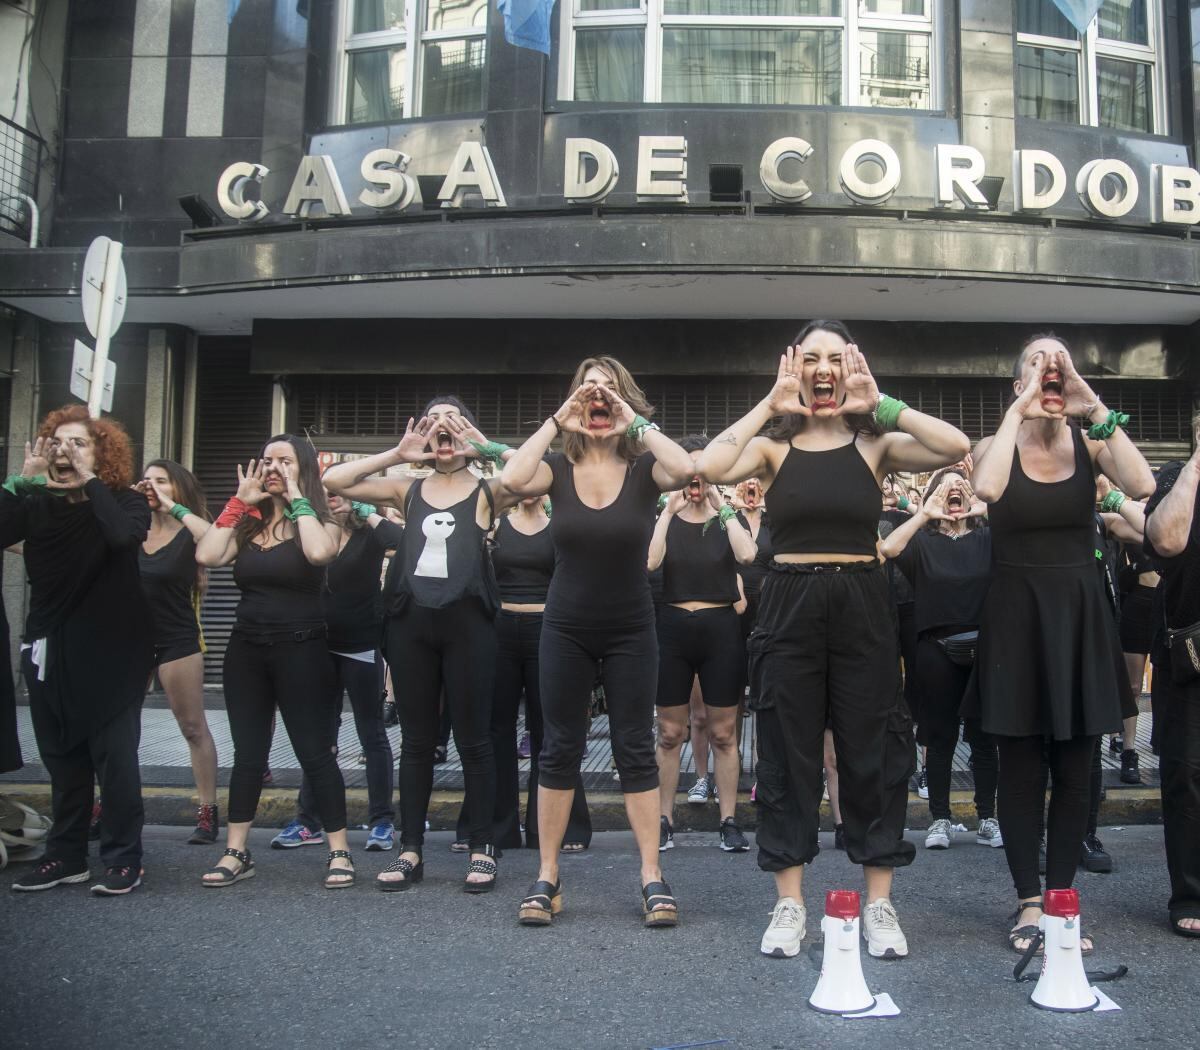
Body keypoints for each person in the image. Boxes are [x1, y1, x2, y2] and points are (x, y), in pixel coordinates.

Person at [698, 320, 970, 960]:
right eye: (810, 359)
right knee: (788, 756)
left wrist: (882, 403)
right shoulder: (773, 450)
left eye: (835, 359)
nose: (824, 370)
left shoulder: (875, 444)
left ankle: (879, 904)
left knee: (873, 750)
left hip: (862, 602)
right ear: (795, 368)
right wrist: (771, 402)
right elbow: (705, 466)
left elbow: (956, 445)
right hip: (788, 604)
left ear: (850, 370)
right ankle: (789, 905)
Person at [967, 334, 1153, 953]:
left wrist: (1090, 400)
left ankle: (1062, 902)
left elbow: (1143, 482)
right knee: (1021, 769)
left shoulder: (1089, 437)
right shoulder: (993, 444)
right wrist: (1020, 409)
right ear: (1017, 380)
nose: (1052, 369)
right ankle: (1027, 903)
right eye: (1037, 362)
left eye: (1060, 360)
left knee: (1078, 768)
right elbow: (989, 490)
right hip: (1017, 614)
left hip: (1079, 614)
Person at [501, 357, 694, 927]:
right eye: (589, 391)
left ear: (624, 400)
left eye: (609, 389)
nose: (598, 397)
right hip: (565, 627)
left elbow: (684, 467)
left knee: (636, 746)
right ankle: (547, 876)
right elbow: (512, 479)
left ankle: (651, 876)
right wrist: (557, 420)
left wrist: (636, 423)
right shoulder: (555, 469)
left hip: (633, 627)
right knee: (558, 747)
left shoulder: (644, 472)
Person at [324, 397, 519, 893]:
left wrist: (486, 445)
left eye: (452, 420)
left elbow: (538, 475)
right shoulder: (407, 489)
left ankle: (482, 848)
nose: (442, 429)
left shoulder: (485, 490)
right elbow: (334, 482)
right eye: (434, 421)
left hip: (469, 625)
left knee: (474, 741)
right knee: (415, 741)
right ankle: (410, 849)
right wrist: (396, 453)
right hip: (411, 624)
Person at [7, 406, 154, 896]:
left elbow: (122, 537)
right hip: (50, 647)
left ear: (102, 455)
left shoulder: (124, 502)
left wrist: (91, 481)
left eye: (79, 443)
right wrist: (23, 481)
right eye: (57, 443)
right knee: (63, 760)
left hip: (113, 651)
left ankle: (122, 857)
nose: (65, 451)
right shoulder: (38, 504)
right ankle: (65, 855)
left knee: (115, 761)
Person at [196, 435, 352, 889]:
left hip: (302, 650)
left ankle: (339, 851)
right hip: (246, 650)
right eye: (267, 460)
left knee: (315, 754)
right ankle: (236, 851)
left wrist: (298, 495)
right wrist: (239, 503)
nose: (273, 467)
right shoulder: (247, 523)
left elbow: (320, 553)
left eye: (284, 460)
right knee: (247, 755)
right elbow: (207, 554)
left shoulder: (325, 519)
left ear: (302, 467)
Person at [272, 492, 402, 852]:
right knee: (319, 735)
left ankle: (381, 822)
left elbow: (402, 542)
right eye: (328, 494)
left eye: (345, 494)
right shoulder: (309, 532)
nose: (336, 499)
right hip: (315, 646)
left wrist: (367, 511)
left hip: (360, 643)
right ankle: (309, 820)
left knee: (371, 732)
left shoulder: (370, 533)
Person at [879, 467, 1001, 850]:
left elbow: (1023, 538)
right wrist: (923, 514)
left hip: (984, 646)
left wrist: (988, 506)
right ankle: (940, 819)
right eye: (946, 488)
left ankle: (987, 817)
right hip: (935, 649)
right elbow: (889, 549)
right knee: (940, 737)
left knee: (983, 738)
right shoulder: (923, 543)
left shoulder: (988, 537)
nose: (956, 492)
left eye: (962, 487)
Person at [648, 436, 756, 853]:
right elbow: (651, 562)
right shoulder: (668, 515)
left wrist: (720, 503)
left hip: (720, 627)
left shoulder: (727, 517)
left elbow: (747, 556)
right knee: (671, 733)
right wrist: (668, 510)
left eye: (702, 473)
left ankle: (728, 820)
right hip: (673, 626)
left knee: (724, 733)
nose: (695, 480)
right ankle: (663, 819)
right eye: (688, 473)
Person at [477, 495, 592, 852]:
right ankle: (497, 829)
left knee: (554, 731)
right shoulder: (494, 526)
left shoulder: (560, 528)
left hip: (549, 628)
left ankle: (560, 828)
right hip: (499, 629)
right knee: (496, 730)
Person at [135, 460, 218, 845]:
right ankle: (106, 806)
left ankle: (207, 811)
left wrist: (173, 507)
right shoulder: (129, 527)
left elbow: (218, 541)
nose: (150, 486)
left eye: (161, 481)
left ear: (177, 488)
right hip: (124, 641)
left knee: (192, 726)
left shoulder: (189, 531)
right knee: (116, 732)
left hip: (177, 639)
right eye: (146, 480)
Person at [1142, 420, 1200, 937]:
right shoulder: (1177, 476)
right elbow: (1165, 539)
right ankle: (1191, 893)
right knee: (1186, 778)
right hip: (1190, 654)